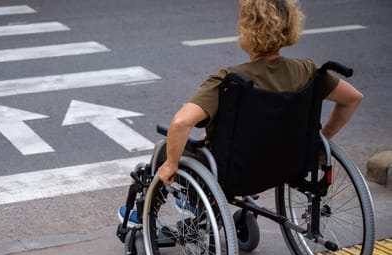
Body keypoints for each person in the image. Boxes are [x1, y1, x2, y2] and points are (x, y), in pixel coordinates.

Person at [119, 0, 362, 224]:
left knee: (164, 150)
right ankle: (196, 202)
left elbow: (181, 122)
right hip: (288, 165)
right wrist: (320, 142)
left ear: (247, 29)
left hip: (232, 174)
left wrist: (171, 164)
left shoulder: (230, 80)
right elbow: (352, 98)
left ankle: (142, 215)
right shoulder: (308, 71)